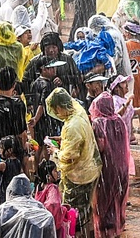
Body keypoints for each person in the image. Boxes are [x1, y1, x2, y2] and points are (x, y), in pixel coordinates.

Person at [46, 88, 99, 238]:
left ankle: (75, 234)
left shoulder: (72, 126)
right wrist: (64, 141)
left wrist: (55, 152)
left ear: (59, 108)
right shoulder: (77, 111)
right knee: (85, 211)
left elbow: (69, 157)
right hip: (90, 169)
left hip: (79, 176)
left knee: (73, 213)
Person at [90, 92, 128, 238]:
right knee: (118, 198)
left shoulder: (99, 123)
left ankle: (106, 231)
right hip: (121, 167)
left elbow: (100, 146)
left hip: (107, 168)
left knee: (104, 202)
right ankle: (117, 228)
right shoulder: (118, 120)